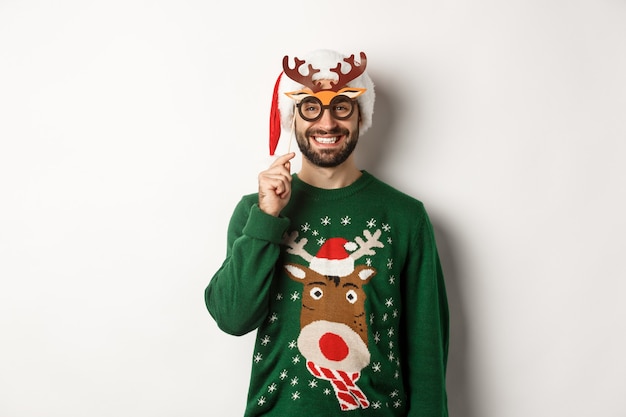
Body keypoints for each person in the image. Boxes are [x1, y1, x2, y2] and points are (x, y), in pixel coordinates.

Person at [205, 49, 449, 416]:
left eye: (341, 107)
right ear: (293, 119)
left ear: (360, 116)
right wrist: (267, 219)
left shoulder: (405, 217)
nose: (328, 123)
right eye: (310, 108)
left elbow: (426, 349)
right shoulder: (255, 213)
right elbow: (232, 317)